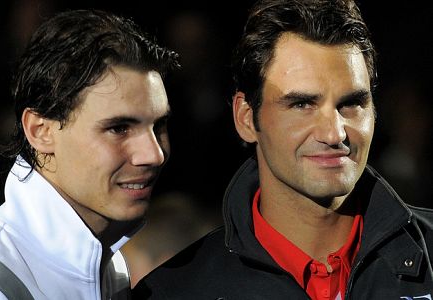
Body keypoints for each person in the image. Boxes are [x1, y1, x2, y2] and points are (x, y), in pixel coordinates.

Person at [131, 0, 433, 299]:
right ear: (246, 118)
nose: (334, 132)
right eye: (301, 104)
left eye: (352, 103)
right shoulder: (174, 293)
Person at [0, 9, 179, 300]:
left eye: (159, 125)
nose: (153, 154)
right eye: (119, 128)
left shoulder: (110, 263)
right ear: (40, 131)